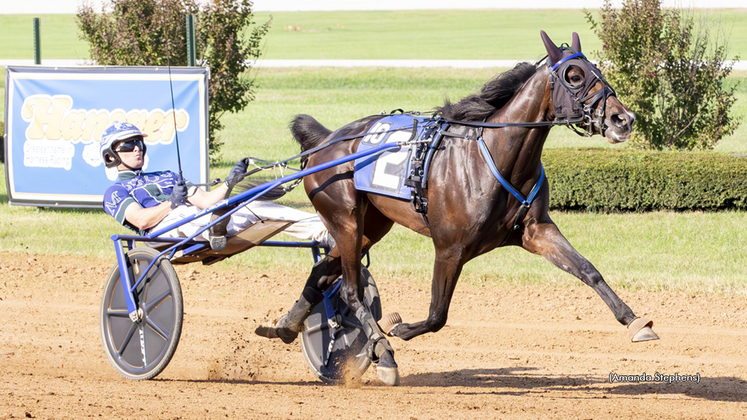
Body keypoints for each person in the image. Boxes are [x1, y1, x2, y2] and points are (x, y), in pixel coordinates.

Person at [100, 121, 332, 247]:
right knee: (184, 214)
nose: (137, 148)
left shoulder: (168, 176)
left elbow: (207, 201)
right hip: (162, 231)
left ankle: (325, 230)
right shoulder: (115, 192)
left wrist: (230, 183)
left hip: (197, 218)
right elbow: (141, 220)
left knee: (254, 206)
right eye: (129, 145)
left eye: (139, 143)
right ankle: (214, 227)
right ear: (111, 156)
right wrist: (171, 204)